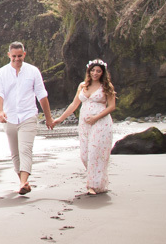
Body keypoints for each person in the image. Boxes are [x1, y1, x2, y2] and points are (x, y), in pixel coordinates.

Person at [49, 58, 116, 195]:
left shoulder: (106, 87)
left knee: (94, 154)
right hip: (84, 124)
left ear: (103, 73)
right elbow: (74, 105)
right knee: (85, 155)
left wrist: (96, 118)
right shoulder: (82, 86)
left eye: (98, 71)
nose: (95, 73)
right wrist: (60, 119)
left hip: (101, 123)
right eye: (93, 70)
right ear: (89, 71)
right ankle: (99, 181)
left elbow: (112, 107)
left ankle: (92, 185)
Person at [0, 41, 51, 195]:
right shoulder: (2, 72)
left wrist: (48, 118)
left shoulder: (33, 71)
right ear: (9, 55)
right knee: (15, 154)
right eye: (14, 56)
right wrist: (0, 112)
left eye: (20, 56)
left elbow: (42, 95)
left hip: (28, 115)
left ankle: (23, 182)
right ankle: (23, 183)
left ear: (24, 54)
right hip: (9, 117)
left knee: (25, 149)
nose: (17, 59)